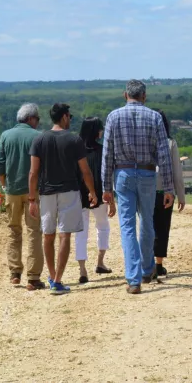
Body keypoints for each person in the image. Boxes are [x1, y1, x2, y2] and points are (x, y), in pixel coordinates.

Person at [102, 80, 174, 295]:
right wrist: (169, 187)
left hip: (122, 173)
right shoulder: (155, 117)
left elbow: (107, 154)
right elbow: (164, 154)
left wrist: (106, 186)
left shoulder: (113, 116)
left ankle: (133, 279)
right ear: (144, 96)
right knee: (147, 222)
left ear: (125, 95)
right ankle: (147, 269)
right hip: (147, 173)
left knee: (127, 226)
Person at [28, 103, 98, 295]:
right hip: (69, 191)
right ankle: (58, 279)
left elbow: (33, 172)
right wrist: (92, 192)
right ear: (65, 117)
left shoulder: (40, 139)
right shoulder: (74, 140)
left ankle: (52, 276)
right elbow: (85, 171)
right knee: (64, 235)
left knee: (47, 235)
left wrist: (32, 199)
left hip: (46, 192)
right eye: (70, 117)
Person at [0, 103, 44, 291]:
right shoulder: (38, 137)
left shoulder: (6, 135)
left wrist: (5, 184)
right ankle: (33, 277)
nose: (38, 122)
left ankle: (15, 273)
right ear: (31, 119)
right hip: (33, 191)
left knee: (14, 230)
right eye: (37, 119)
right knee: (34, 232)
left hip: (12, 190)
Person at [74, 117, 116, 284]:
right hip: (99, 193)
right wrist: (111, 198)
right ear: (95, 131)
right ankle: (100, 262)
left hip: (80, 195)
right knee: (103, 226)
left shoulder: (76, 150)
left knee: (81, 233)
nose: (102, 131)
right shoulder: (102, 150)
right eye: (100, 128)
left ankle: (82, 269)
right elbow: (107, 174)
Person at [152, 109, 186, 277]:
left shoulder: (144, 142)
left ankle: (147, 263)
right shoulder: (171, 142)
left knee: (147, 228)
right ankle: (158, 264)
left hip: (146, 190)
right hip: (166, 191)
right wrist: (181, 194)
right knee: (162, 227)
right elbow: (177, 172)